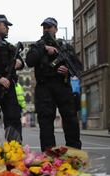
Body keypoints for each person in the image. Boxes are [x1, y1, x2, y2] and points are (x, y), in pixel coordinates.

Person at [25, 17, 82, 151]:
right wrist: (43, 48)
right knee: (45, 122)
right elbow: (29, 61)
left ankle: (74, 152)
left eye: (49, 27)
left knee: (70, 118)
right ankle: (48, 155)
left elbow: (78, 67)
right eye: (44, 27)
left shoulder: (65, 47)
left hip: (62, 85)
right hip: (44, 87)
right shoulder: (37, 45)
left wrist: (67, 70)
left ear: (56, 29)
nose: (46, 29)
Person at [0, 14, 24, 144]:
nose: (8, 29)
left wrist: (19, 63)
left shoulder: (8, 46)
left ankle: (14, 150)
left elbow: (21, 61)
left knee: (13, 117)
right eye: (6, 26)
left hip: (9, 86)